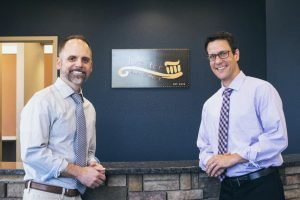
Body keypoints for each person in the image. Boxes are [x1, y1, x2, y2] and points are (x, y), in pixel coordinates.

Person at [197, 31, 288, 200]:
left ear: (236, 54)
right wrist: (211, 161)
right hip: (227, 189)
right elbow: (204, 147)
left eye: (223, 53)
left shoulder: (261, 90)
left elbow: (277, 138)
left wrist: (235, 158)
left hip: (261, 187)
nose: (217, 61)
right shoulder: (210, 104)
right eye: (212, 56)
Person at [20, 35, 106, 200]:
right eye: (72, 58)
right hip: (45, 194)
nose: (79, 64)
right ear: (59, 63)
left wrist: (92, 163)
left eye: (85, 60)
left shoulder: (88, 108)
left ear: (91, 67)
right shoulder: (42, 101)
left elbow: (88, 152)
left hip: (75, 196)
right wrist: (80, 172)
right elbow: (32, 153)